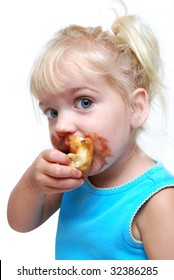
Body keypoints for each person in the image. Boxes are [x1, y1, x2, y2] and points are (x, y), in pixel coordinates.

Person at [7, 1, 174, 260]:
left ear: (135, 108)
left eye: (84, 102)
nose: (61, 126)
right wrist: (33, 183)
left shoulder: (157, 201)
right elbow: (20, 223)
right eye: (52, 112)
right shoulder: (72, 180)